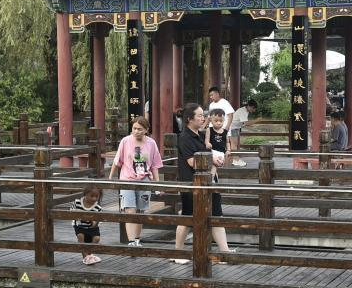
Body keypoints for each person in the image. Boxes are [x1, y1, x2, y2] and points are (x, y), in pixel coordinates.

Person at [172, 103, 232, 264]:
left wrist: (217, 158)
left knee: (216, 215)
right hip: (192, 183)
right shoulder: (185, 137)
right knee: (187, 217)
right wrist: (212, 159)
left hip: (209, 181)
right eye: (199, 115)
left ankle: (224, 252)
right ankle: (178, 252)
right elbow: (192, 162)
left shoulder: (201, 134)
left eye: (202, 115)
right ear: (189, 119)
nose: (203, 118)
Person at [108, 115, 162, 247]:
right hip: (127, 179)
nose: (136, 131)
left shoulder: (151, 143)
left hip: (144, 179)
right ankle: (131, 241)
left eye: (140, 129)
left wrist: (157, 184)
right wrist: (110, 178)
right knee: (129, 210)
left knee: (140, 211)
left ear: (146, 130)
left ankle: (137, 239)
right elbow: (117, 161)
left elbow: (155, 165)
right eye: (134, 128)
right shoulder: (125, 141)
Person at [72, 183, 102, 265]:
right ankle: (84, 256)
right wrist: (78, 216)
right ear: (85, 194)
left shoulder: (98, 208)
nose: (94, 198)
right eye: (91, 196)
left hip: (92, 228)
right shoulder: (77, 203)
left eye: (96, 196)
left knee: (96, 238)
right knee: (80, 236)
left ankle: (89, 254)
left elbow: (97, 221)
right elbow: (71, 212)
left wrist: (94, 222)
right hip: (80, 226)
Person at [205, 106, 232, 178]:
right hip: (212, 151)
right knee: (213, 166)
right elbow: (206, 139)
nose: (219, 123)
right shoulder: (209, 130)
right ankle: (213, 178)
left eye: (221, 121)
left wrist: (228, 150)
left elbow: (227, 142)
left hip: (221, 152)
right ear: (211, 120)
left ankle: (212, 178)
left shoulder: (225, 132)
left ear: (224, 120)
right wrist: (207, 143)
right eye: (216, 121)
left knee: (215, 165)